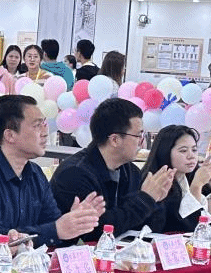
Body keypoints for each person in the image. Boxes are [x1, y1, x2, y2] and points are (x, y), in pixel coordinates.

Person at [0, 95, 104, 248]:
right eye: (37, 125)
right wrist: (56, 230)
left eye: (44, 123)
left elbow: (52, 226)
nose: (45, 132)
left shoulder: (35, 173)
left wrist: (74, 222)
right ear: (10, 135)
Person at [51, 98, 175, 242]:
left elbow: (145, 227)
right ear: (115, 140)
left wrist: (156, 200)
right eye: (138, 135)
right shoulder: (74, 174)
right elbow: (98, 231)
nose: (141, 142)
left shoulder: (130, 171)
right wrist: (146, 199)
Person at [142, 125, 211, 232]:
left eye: (194, 150)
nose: (191, 156)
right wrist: (196, 186)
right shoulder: (154, 182)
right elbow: (184, 226)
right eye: (183, 151)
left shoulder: (190, 176)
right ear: (165, 152)